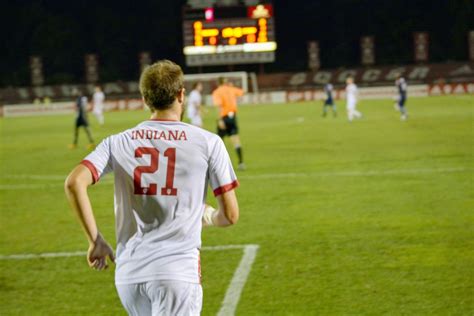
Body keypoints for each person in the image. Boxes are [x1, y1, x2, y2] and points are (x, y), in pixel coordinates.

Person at [64, 60, 239, 316]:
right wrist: (209, 216)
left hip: (129, 277)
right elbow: (231, 216)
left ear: (145, 99)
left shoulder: (117, 142)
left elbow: (74, 182)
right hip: (176, 274)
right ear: (181, 94)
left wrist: (95, 240)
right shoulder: (208, 143)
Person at [212, 77, 245, 170]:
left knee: (219, 141)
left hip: (224, 117)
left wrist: (220, 120)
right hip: (232, 117)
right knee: (235, 139)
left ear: (218, 83)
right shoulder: (231, 89)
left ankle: (218, 164)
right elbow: (242, 92)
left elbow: (219, 106)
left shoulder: (217, 92)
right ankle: (241, 162)